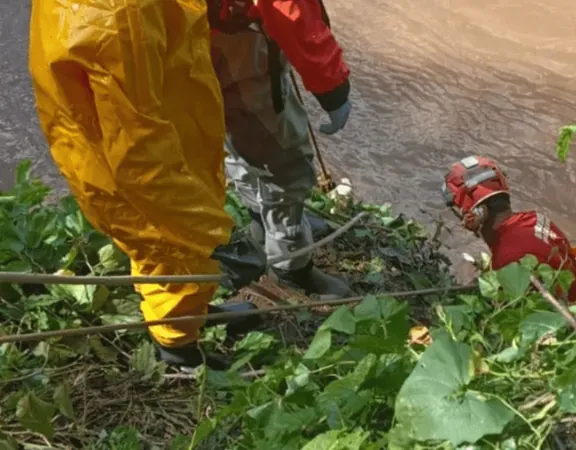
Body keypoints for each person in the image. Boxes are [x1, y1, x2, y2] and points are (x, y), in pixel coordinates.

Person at [29, 0, 268, 371]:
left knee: (165, 249)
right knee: (172, 247)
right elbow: (139, 157)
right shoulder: (122, 16)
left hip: (167, 131)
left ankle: (191, 314)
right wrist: (215, 237)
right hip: (151, 171)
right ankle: (180, 351)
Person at [206, 0, 353, 298]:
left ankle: (264, 222)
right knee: (286, 166)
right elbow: (289, 10)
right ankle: (291, 267)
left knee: (239, 135)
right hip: (238, 43)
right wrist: (333, 89)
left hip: (205, 36)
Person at [442, 155, 576, 302]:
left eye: (463, 212)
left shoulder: (507, 260)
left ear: (480, 213)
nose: (464, 220)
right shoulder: (533, 218)